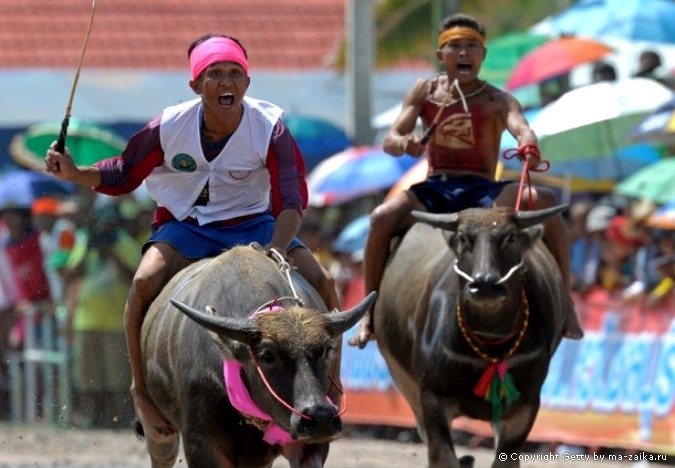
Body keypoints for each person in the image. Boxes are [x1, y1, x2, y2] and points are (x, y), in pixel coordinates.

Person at [45, 33, 339, 438]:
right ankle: (142, 394)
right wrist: (75, 172)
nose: (226, 83)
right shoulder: (167, 127)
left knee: (323, 281)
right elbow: (124, 172)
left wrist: (275, 249)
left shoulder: (270, 129)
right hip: (185, 227)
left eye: (235, 74)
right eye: (215, 74)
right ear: (195, 85)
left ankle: (330, 391)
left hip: (255, 226)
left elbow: (291, 200)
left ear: (247, 83)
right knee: (144, 281)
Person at [349, 13, 583, 348]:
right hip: (435, 187)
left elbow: (521, 125)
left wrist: (527, 143)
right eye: (455, 46)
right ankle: (370, 313)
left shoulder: (497, 99)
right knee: (380, 217)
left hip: (483, 190)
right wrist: (405, 143)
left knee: (544, 199)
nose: (463, 53)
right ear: (440, 55)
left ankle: (567, 303)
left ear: (482, 55)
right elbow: (391, 138)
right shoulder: (424, 91)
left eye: (471, 46)